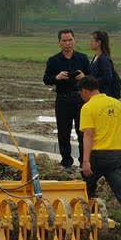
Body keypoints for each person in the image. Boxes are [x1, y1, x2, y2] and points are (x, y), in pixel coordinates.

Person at [78, 75, 121, 236]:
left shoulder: (88, 107)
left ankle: (88, 220)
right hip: (117, 156)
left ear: (84, 91)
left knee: (87, 188)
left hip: (97, 156)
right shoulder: (117, 104)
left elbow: (88, 135)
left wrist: (85, 161)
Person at [43, 29, 89, 173]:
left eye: (70, 40)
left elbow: (92, 79)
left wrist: (83, 77)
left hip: (80, 99)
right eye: (64, 40)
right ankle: (66, 162)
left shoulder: (82, 58)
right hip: (63, 99)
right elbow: (46, 79)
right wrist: (57, 77)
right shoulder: (53, 60)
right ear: (59, 43)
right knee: (63, 132)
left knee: (82, 132)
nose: (67, 43)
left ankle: (84, 161)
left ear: (75, 41)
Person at [88, 30, 116, 96]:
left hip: (103, 94)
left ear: (98, 43)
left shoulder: (104, 59)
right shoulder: (96, 57)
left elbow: (107, 78)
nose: (90, 43)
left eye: (92, 41)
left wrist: (90, 83)